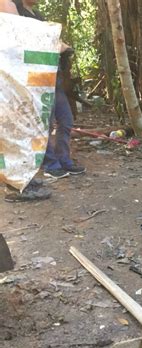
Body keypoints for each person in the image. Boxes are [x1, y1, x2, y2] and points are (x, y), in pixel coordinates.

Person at [14, 0, 85, 179]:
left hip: (53, 76)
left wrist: (64, 47)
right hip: (36, 77)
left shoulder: (38, 15)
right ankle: (50, 164)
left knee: (66, 120)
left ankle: (64, 161)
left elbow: (52, 39)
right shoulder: (17, 11)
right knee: (44, 122)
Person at [0, 0, 52, 201]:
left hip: (11, 80)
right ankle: (16, 187)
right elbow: (16, 40)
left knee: (16, 131)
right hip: (10, 81)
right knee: (15, 132)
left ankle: (20, 179)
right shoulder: (6, 4)